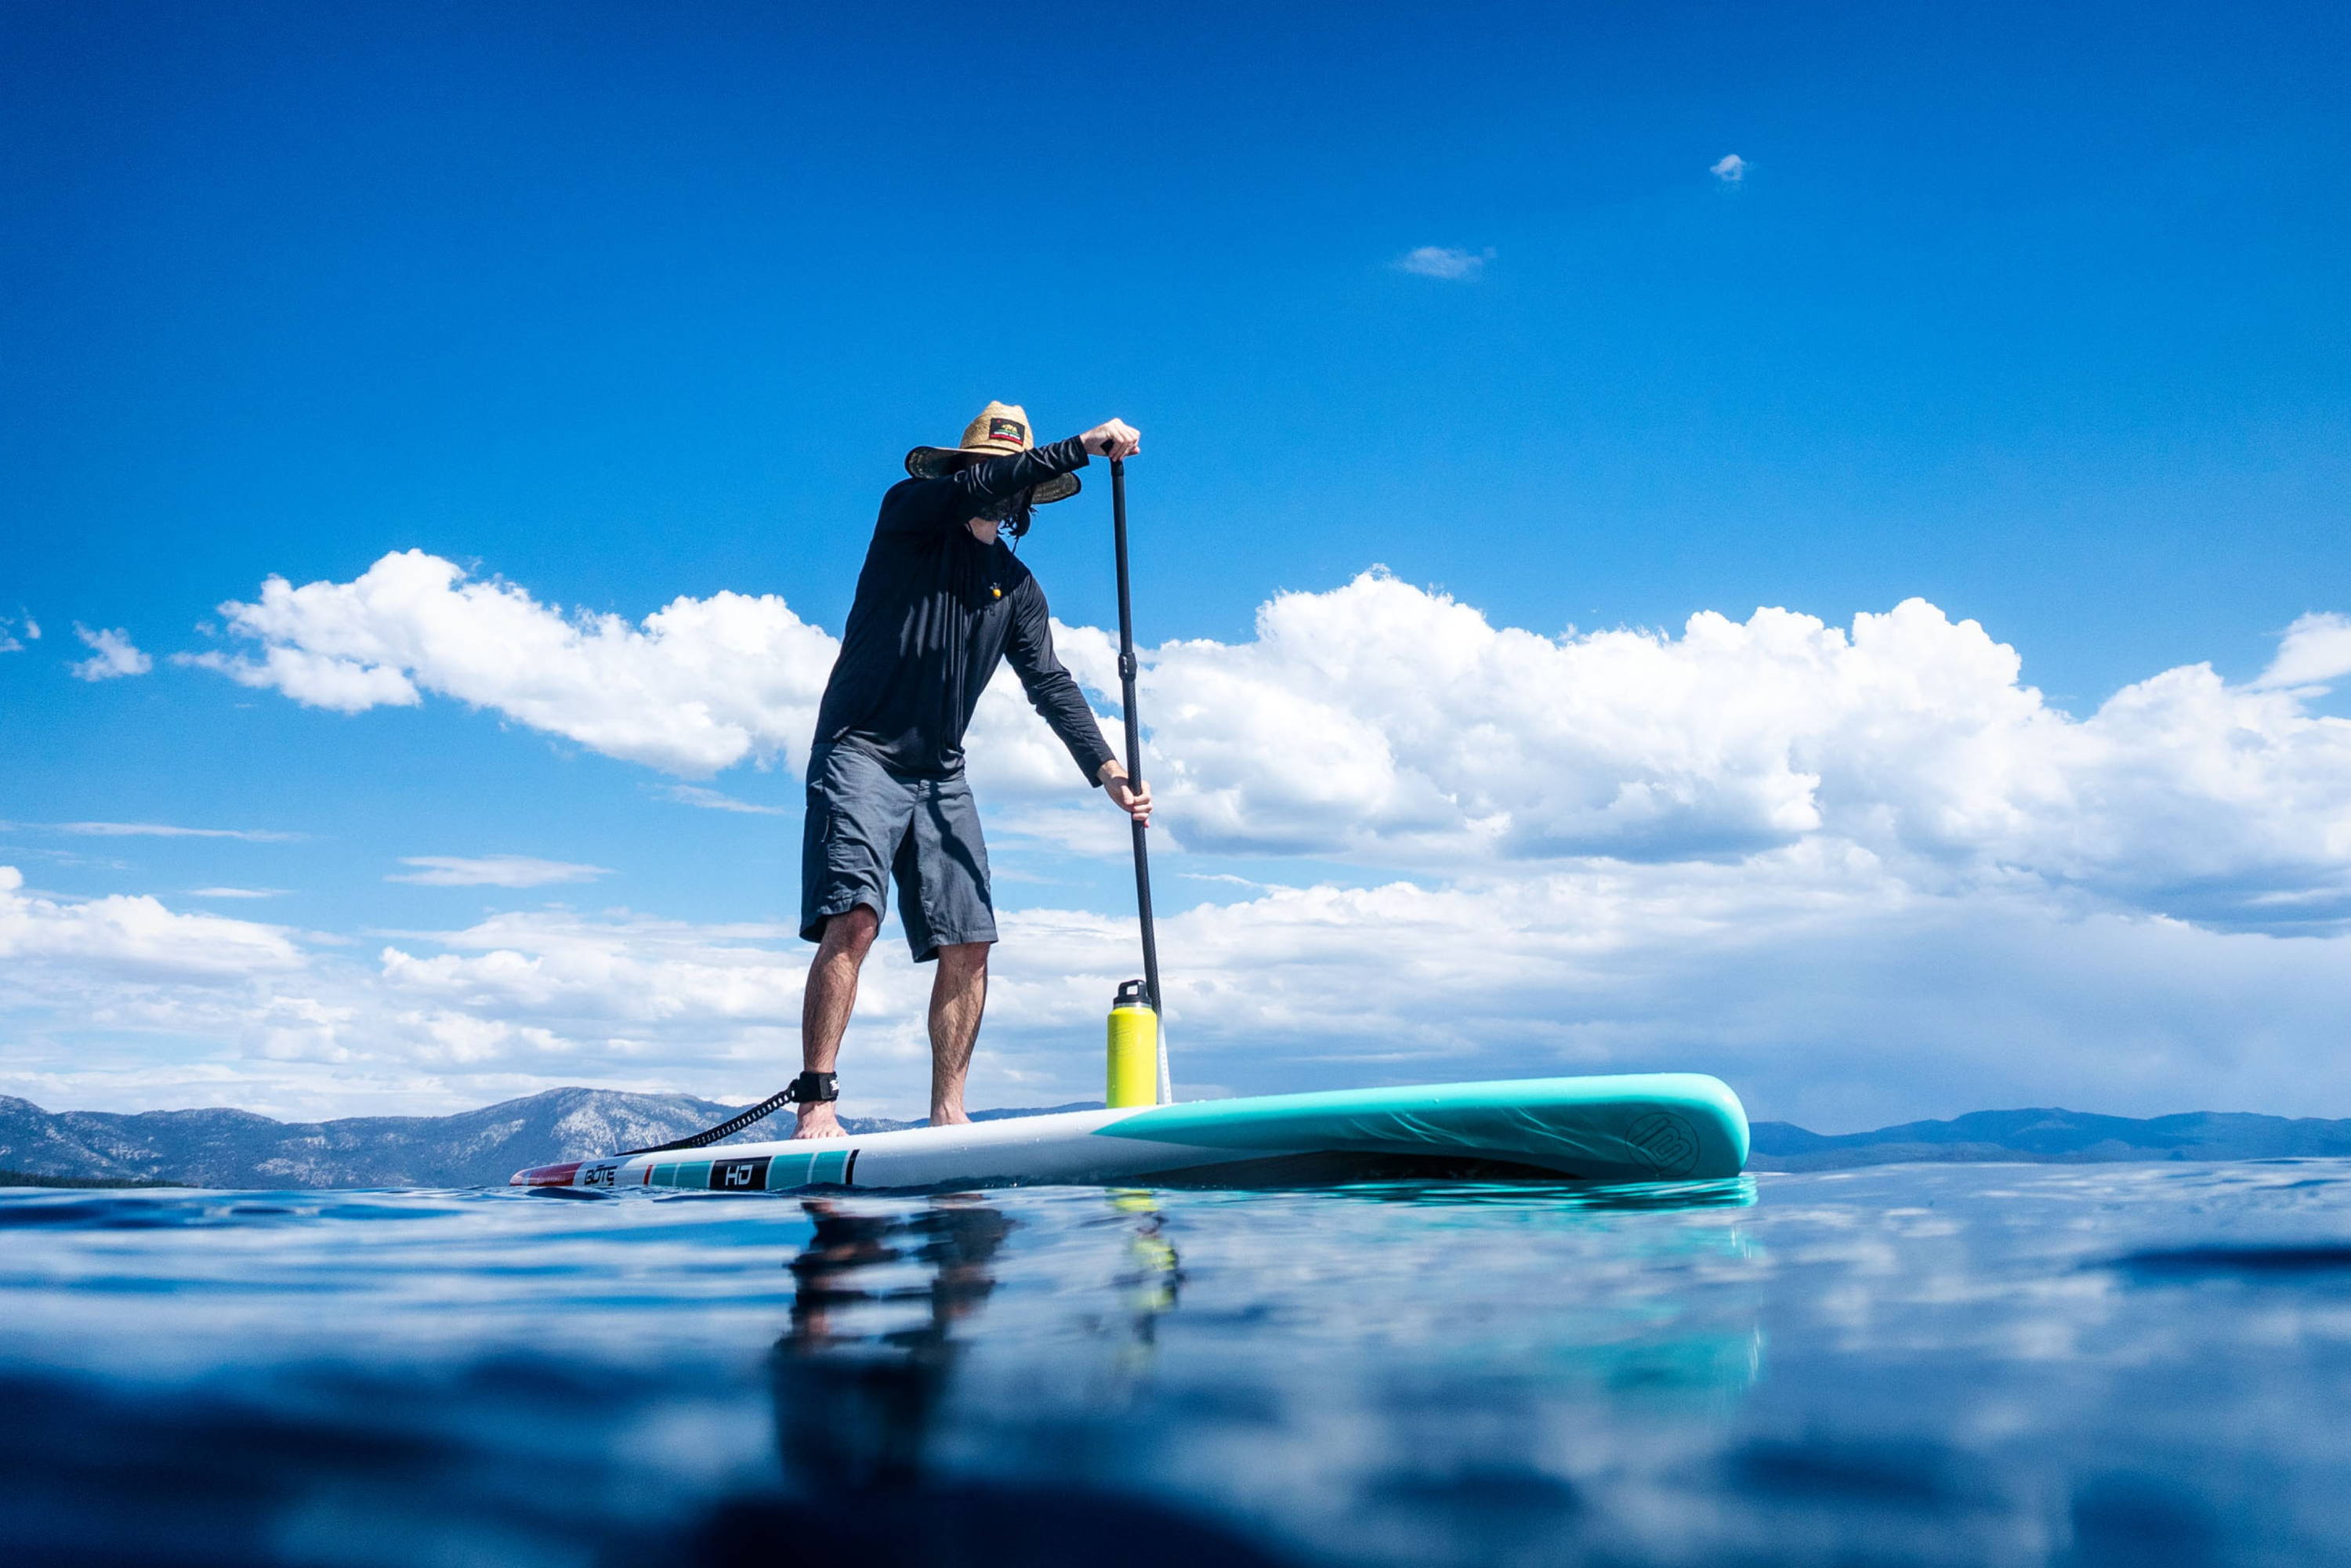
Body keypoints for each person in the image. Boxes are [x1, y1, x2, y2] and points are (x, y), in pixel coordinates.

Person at [788, 402, 1150, 1139]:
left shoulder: (1017, 589)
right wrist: (1082, 445)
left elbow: (1049, 682)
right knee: (855, 918)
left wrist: (1107, 769)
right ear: (967, 471)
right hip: (860, 748)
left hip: (941, 773)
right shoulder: (910, 516)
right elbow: (977, 487)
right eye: (987, 470)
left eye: (1008, 476)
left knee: (970, 937)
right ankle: (817, 1101)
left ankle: (948, 1109)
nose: (999, 486)